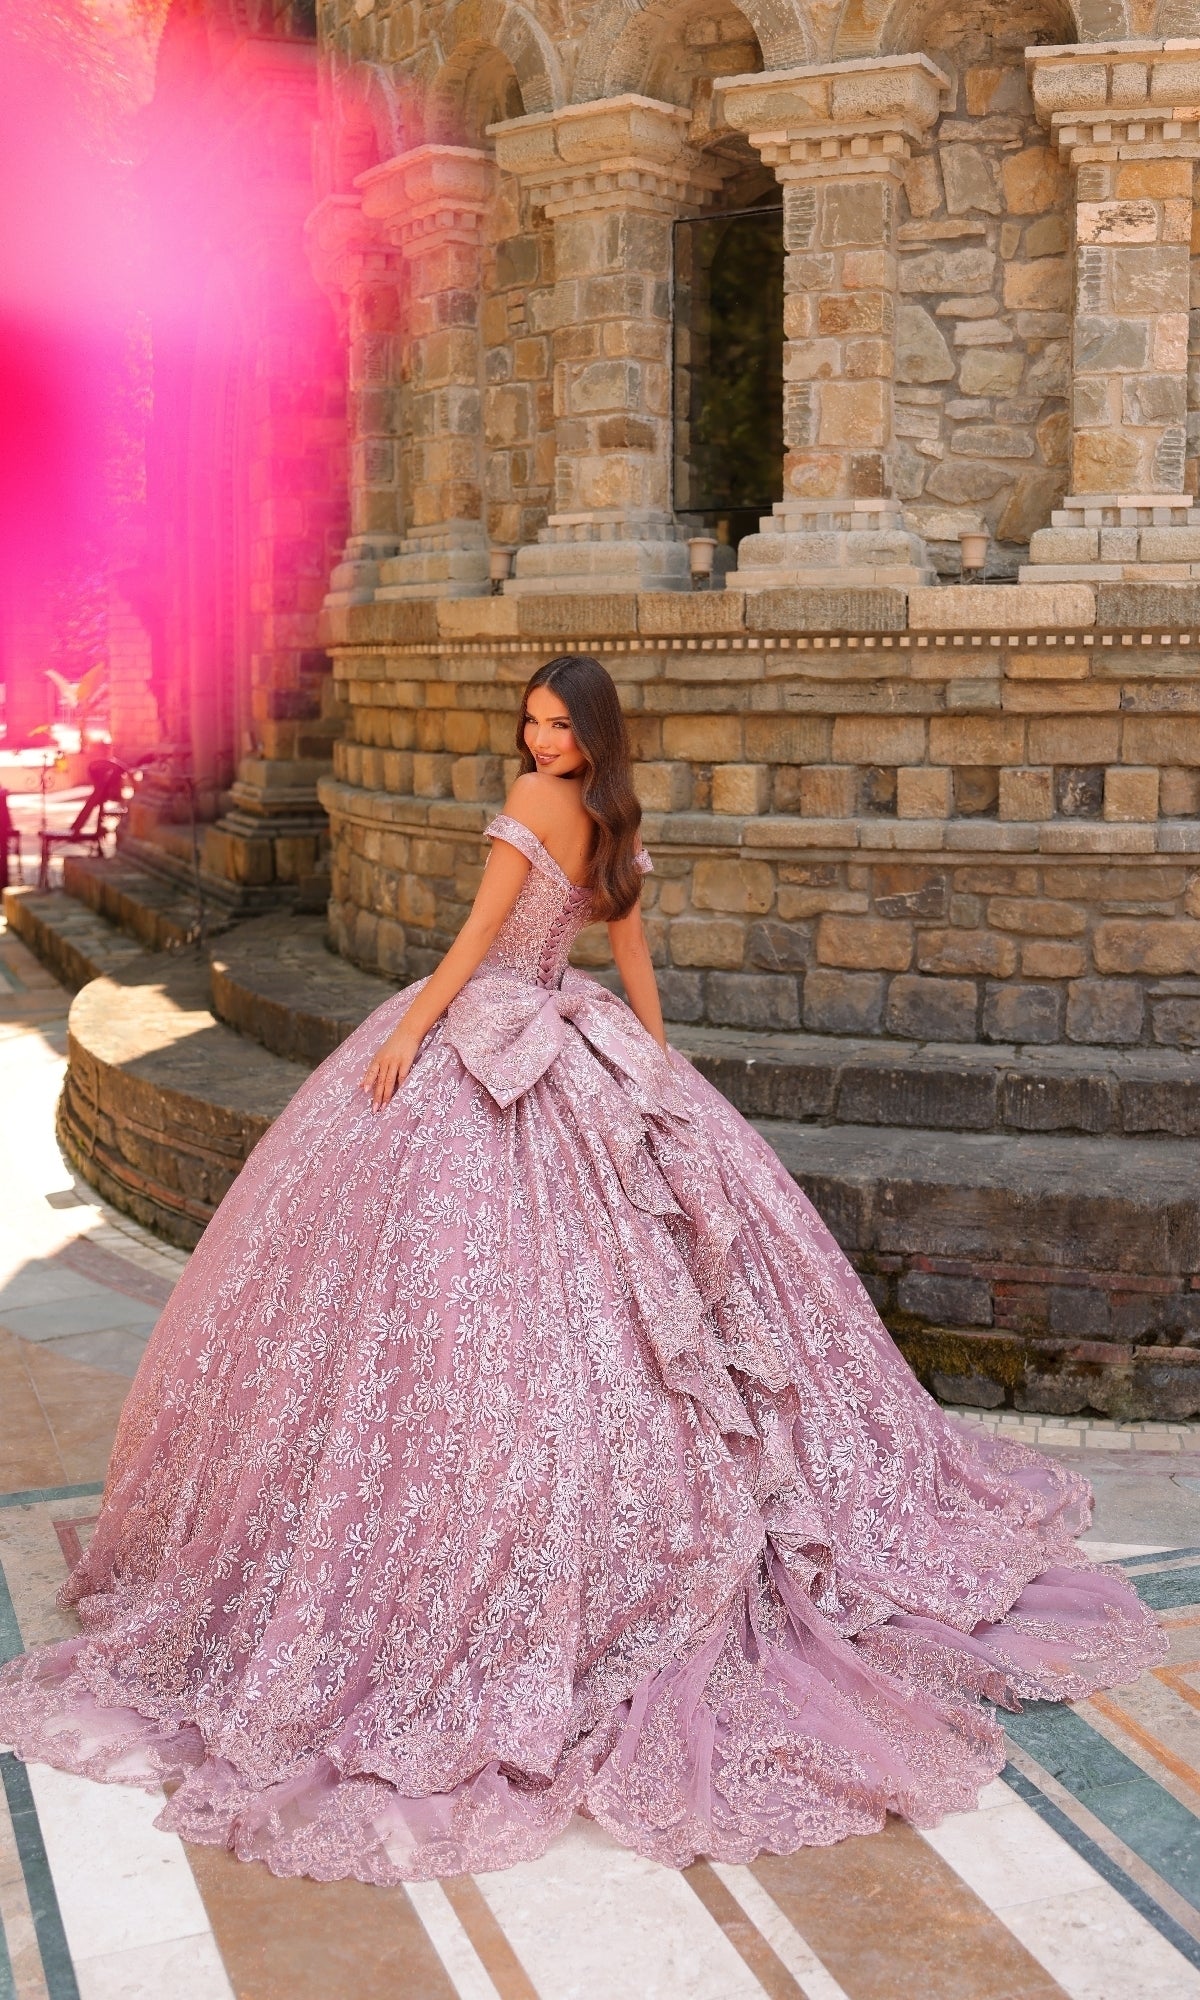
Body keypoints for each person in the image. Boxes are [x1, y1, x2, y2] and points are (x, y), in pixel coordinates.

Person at [0, 654, 1163, 1884]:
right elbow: (632, 955)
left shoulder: (532, 805)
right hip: (571, 1036)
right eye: (533, 721)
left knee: (475, 1303)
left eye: (559, 724)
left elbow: (476, 941)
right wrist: (659, 1072)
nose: (539, 737)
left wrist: (407, 1029)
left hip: (497, 1031)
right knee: (602, 1302)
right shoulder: (614, 816)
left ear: (588, 733)